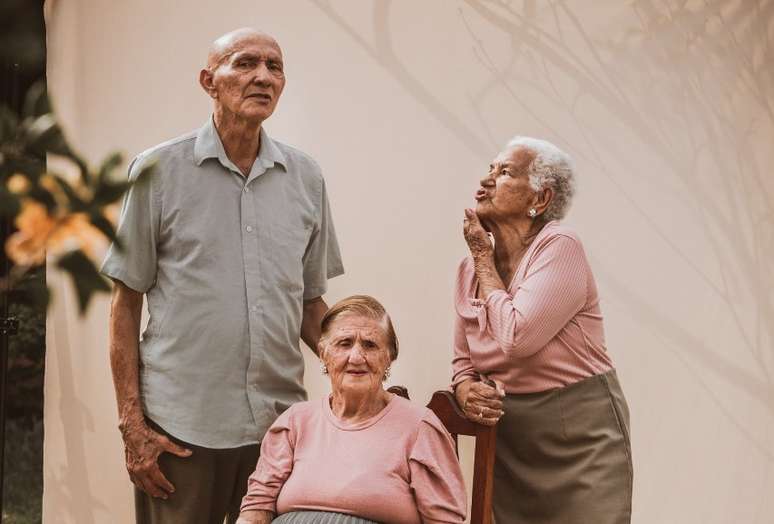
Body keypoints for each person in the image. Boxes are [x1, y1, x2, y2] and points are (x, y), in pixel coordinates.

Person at [101, 28, 344, 524]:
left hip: (277, 429)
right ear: (209, 81)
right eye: (245, 63)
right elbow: (125, 303)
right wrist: (132, 424)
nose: (263, 76)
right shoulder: (157, 170)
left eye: (274, 67)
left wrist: (359, 369)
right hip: (181, 431)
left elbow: (310, 304)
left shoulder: (306, 177)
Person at [452, 137, 633, 523]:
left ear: (541, 197)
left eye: (504, 173)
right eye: (489, 169)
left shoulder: (560, 247)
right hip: (513, 441)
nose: (485, 181)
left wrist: (483, 257)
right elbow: (463, 364)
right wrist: (467, 391)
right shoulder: (468, 270)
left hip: (581, 440)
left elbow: (517, 338)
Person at [237, 295, 467, 524]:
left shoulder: (419, 428)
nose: (356, 357)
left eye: (370, 345)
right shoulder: (295, 422)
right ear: (323, 353)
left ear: (389, 357)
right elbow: (256, 509)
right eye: (344, 343)